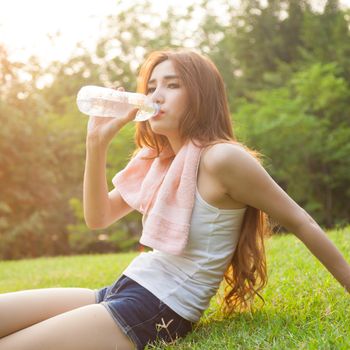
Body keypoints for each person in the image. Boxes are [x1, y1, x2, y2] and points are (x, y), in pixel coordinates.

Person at [0, 49, 349, 350]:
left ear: (200, 95)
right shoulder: (157, 160)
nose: (156, 96)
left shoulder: (221, 159)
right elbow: (98, 217)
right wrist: (96, 144)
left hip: (157, 307)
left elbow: (301, 221)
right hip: (123, 289)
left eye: (172, 84)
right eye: (151, 87)